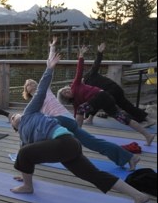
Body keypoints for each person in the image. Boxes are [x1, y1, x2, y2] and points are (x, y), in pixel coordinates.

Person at [10, 53, 150, 203]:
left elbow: (41, 90)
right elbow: (27, 156)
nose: (14, 115)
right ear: (15, 127)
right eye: (12, 119)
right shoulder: (24, 136)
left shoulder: (30, 112)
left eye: (14, 114)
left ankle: (28, 187)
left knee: (24, 152)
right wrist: (24, 172)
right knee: (95, 175)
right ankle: (138, 195)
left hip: (65, 140)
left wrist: (49, 68)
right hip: (67, 150)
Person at [22, 38, 140, 170]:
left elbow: (49, 66)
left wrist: (52, 48)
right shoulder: (32, 106)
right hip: (67, 123)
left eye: (32, 82)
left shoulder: (45, 90)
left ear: (37, 85)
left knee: (39, 128)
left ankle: (27, 158)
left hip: (61, 120)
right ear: (27, 92)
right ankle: (130, 157)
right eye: (27, 85)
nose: (30, 84)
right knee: (93, 142)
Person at [57, 45, 155, 146]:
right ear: (67, 99)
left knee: (81, 109)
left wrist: (81, 56)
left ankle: (76, 139)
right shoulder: (76, 102)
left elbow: (79, 71)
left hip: (103, 95)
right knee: (123, 119)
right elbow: (76, 117)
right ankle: (148, 135)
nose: (67, 90)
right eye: (65, 93)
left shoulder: (75, 85)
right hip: (105, 102)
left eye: (66, 89)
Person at [83, 42, 153, 125]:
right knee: (127, 106)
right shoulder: (84, 87)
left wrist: (100, 52)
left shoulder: (90, 75)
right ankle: (149, 119)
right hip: (115, 89)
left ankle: (89, 119)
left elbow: (96, 64)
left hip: (112, 89)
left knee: (98, 100)